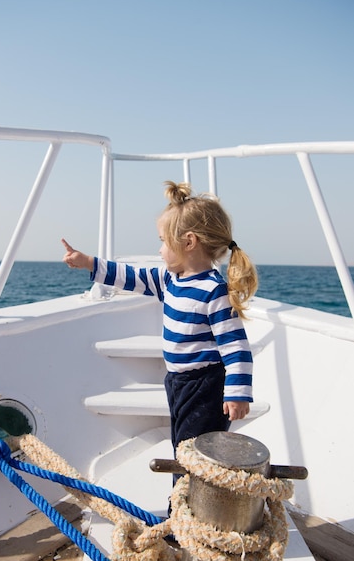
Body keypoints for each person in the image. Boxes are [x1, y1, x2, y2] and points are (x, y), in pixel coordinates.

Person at [62, 181, 258, 464]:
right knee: (182, 445)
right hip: (177, 381)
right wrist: (89, 262)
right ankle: (184, 498)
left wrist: (238, 394)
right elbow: (130, 276)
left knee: (195, 453)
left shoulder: (214, 291)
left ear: (189, 242)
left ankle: (185, 501)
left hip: (205, 386)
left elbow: (236, 348)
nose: (160, 250)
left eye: (163, 241)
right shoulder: (170, 280)